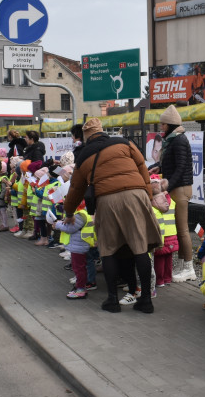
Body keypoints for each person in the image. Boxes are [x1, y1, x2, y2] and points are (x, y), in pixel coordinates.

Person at [62, 117, 162, 314]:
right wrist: (148, 197)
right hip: (136, 195)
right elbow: (142, 167)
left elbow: (75, 188)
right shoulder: (125, 143)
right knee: (140, 247)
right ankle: (146, 300)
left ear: (86, 137)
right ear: (103, 131)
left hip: (107, 201)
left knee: (109, 249)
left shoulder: (83, 156)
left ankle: (112, 300)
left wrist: (69, 212)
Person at [155, 105, 195, 282]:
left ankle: (189, 267)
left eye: (163, 124)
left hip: (180, 188)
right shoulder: (172, 140)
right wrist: (159, 169)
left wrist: (168, 183)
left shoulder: (179, 140)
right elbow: (174, 165)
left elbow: (181, 167)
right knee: (178, 228)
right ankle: (181, 265)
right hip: (176, 186)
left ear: (170, 124)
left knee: (182, 229)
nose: (161, 127)